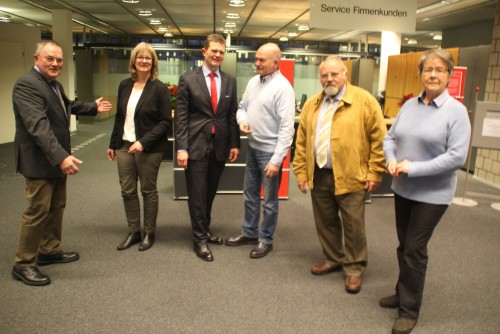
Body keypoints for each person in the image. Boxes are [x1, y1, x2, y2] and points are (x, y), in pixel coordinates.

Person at [380, 49, 471, 334]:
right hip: (403, 188)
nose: (433, 74)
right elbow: (390, 137)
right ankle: (401, 291)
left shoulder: (456, 112)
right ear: (421, 74)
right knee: (404, 245)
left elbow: (456, 157)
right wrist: (391, 159)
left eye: (439, 70)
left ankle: (409, 310)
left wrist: (414, 168)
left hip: (433, 194)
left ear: (449, 75)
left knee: (415, 250)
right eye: (428, 69)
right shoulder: (410, 105)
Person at [11, 40, 112, 286]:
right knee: (37, 211)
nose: (56, 63)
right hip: (40, 161)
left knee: (56, 207)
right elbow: (38, 127)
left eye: (59, 59)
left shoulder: (51, 84)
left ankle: (49, 250)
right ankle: (23, 264)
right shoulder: (27, 85)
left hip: (56, 159)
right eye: (50, 58)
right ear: (36, 59)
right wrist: (61, 157)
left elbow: (65, 106)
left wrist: (92, 107)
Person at [293, 55, 387, 293]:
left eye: (334, 74)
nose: (329, 79)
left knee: (353, 224)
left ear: (345, 74)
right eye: (324, 75)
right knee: (325, 221)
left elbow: (380, 138)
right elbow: (302, 141)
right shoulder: (313, 104)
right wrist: (301, 172)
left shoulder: (364, 100)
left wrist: (375, 172)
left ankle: (354, 268)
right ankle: (334, 257)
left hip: (351, 174)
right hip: (320, 173)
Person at [225, 43, 295, 259]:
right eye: (256, 59)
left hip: (269, 153)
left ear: (276, 62)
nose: (257, 63)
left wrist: (276, 160)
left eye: (262, 60)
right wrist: (242, 121)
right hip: (253, 148)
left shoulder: (283, 88)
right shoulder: (255, 81)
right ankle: (249, 232)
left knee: (270, 201)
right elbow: (242, 107)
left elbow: (287, 128)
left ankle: (265, 239)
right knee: (250, 195)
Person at [174, 34, 240, 262]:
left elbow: (231, 114)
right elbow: (180, 118)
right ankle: (199, 239)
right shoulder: (188, 79)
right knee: (197, 195)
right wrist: (181, 148)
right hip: (195, 146)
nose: (217, 55)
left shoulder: (230, 80)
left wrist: (235, 143)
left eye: (221, 52)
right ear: (204, 52)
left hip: (219, 145)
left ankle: (205, 230)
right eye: (214, 51)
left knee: (209, 193)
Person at [108, 42, 171, 252]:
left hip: (149, 148)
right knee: (127, 191)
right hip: (124, 146)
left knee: (148, 190)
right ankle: (134, 232)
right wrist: (112, 143)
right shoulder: (124, 85)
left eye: (148, 58)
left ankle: (149, 233)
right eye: (140, 57)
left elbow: (165, 123)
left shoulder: (159, 88)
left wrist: (143, 142)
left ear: (153, 62)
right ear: (133, 60)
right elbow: (119, 116)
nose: (144, 61)